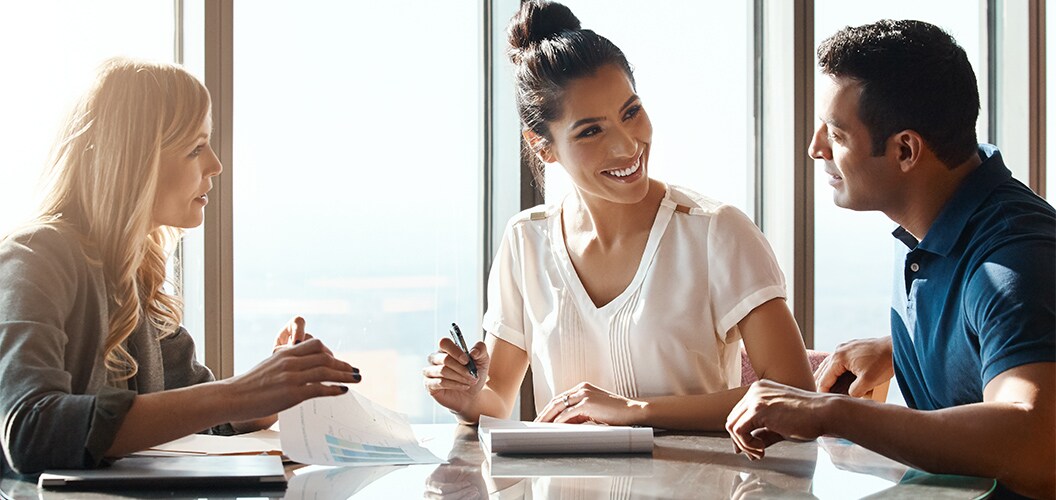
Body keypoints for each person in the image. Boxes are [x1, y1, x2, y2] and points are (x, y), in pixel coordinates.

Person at [423, 0, 814, 431]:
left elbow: (792, 394)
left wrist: (636, 411)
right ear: (542, 145)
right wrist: (466, 396)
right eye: (591, 131)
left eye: (631, 112)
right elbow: (497, 400)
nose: (627, 146)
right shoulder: (525, 241)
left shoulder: (715, 232)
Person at [724, 20, 1054, 498]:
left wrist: (833, 414)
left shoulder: (1012, 261)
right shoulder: (941, 221)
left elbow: (1038, 445)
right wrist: (904, 347)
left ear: (905, 149)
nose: (815, 148)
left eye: (835, 134)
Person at [0, 58, 361, 474]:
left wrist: (274, 388)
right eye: (196, 147)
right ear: (133, 162)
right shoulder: (35, 257)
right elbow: (29, 430)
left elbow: (200, 410)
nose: (216, 166)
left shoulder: (135, 276)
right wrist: (241, 392)